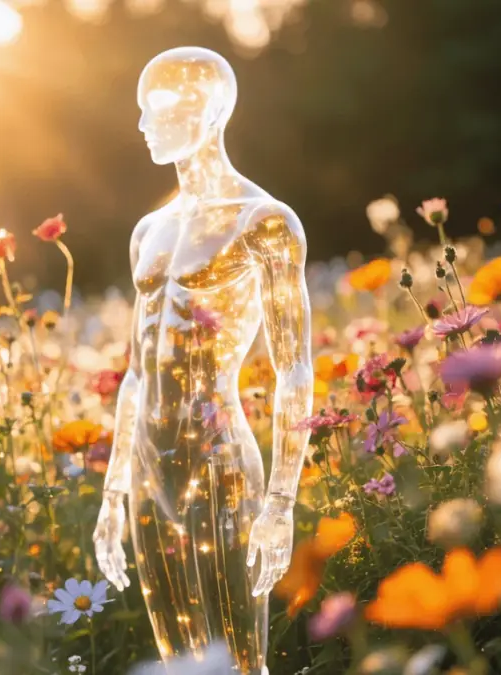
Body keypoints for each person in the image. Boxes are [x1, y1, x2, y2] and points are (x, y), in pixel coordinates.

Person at [93, 47, 314, 674]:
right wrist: (112, 494)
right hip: (146, 461)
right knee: (180, 660)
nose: (142, 125)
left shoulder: (263, 222)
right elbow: (136, 371)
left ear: (210, 109)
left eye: (158, 107)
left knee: (243, 658)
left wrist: (279, 502)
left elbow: (294, 368)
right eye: (141, 109)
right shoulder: (149, 230)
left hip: (217, 459)